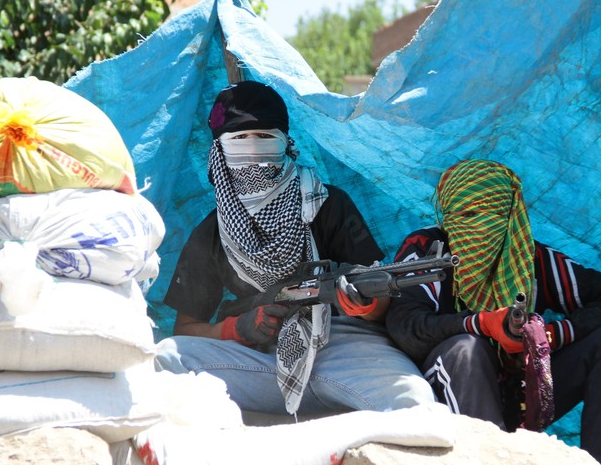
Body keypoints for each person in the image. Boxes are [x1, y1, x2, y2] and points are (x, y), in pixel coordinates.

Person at [157, 80, 435, 417]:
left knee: (413, 399)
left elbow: (379, 302)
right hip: (260, 360)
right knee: (166, 357)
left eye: (264, 136)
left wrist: (361, 303)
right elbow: (186, 329)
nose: (253, 148)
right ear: (219, 151)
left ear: (286, 143)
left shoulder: (326, 204)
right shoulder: (213, 232)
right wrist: (234, 329)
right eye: (239, 138)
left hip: (342, 345)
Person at [385, 158, 601, 465]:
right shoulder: (429, 251)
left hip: (519, 395)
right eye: (466, 215)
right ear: (448, 217)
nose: (478, 227)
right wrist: (482, 323)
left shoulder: (530, 259)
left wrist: (551, 335)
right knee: (467, 349)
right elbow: (404, 327)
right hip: (443, 396)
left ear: (510, 216)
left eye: (491, 215)